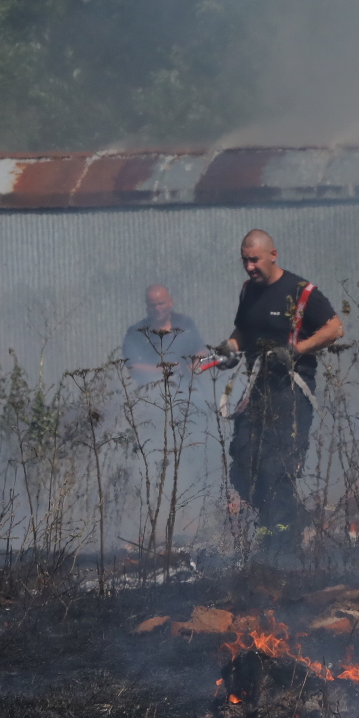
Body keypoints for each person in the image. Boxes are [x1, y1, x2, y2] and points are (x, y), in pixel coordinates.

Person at [206, 230, 343, 560]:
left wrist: (296, 350)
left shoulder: (301, 292)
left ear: (272, 255)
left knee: (276, 469)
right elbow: (243, 330)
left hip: (291, 395)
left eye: (254, 259)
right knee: (243, 463)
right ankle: (274, 529)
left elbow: (335, 328)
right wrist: (228, 349)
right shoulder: (248, 291)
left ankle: (281, 550)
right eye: (244, 260)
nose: (249, 266)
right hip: (255, 394)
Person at [123, 284, 204, 386]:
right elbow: (132, 366)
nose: (157, 308)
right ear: (147, 307)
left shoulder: (185, 324)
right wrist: (167, 369)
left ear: (170, 302)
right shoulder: (136, 333)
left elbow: (200, 350)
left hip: (189, 387)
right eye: (153, 305)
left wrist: (193, 367)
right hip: (151, 390)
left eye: (161, 303)